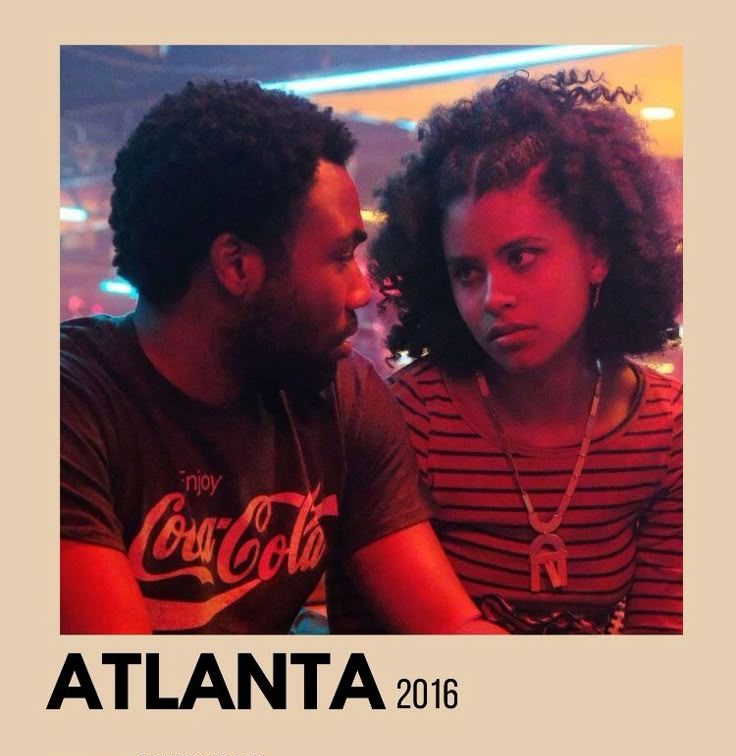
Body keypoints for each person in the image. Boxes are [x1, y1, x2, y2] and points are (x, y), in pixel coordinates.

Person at [60, 79, 505, 635]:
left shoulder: (342, 394)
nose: (361, 292)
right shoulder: (68, 406)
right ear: (238, 266)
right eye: (341, 257)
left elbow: (451, 629)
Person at [370, 70, 682, 634]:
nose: (493, 299)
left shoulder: (668, 428)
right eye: (467, 272)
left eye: (522, 257)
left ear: (597, 255)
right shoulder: (413, 417)